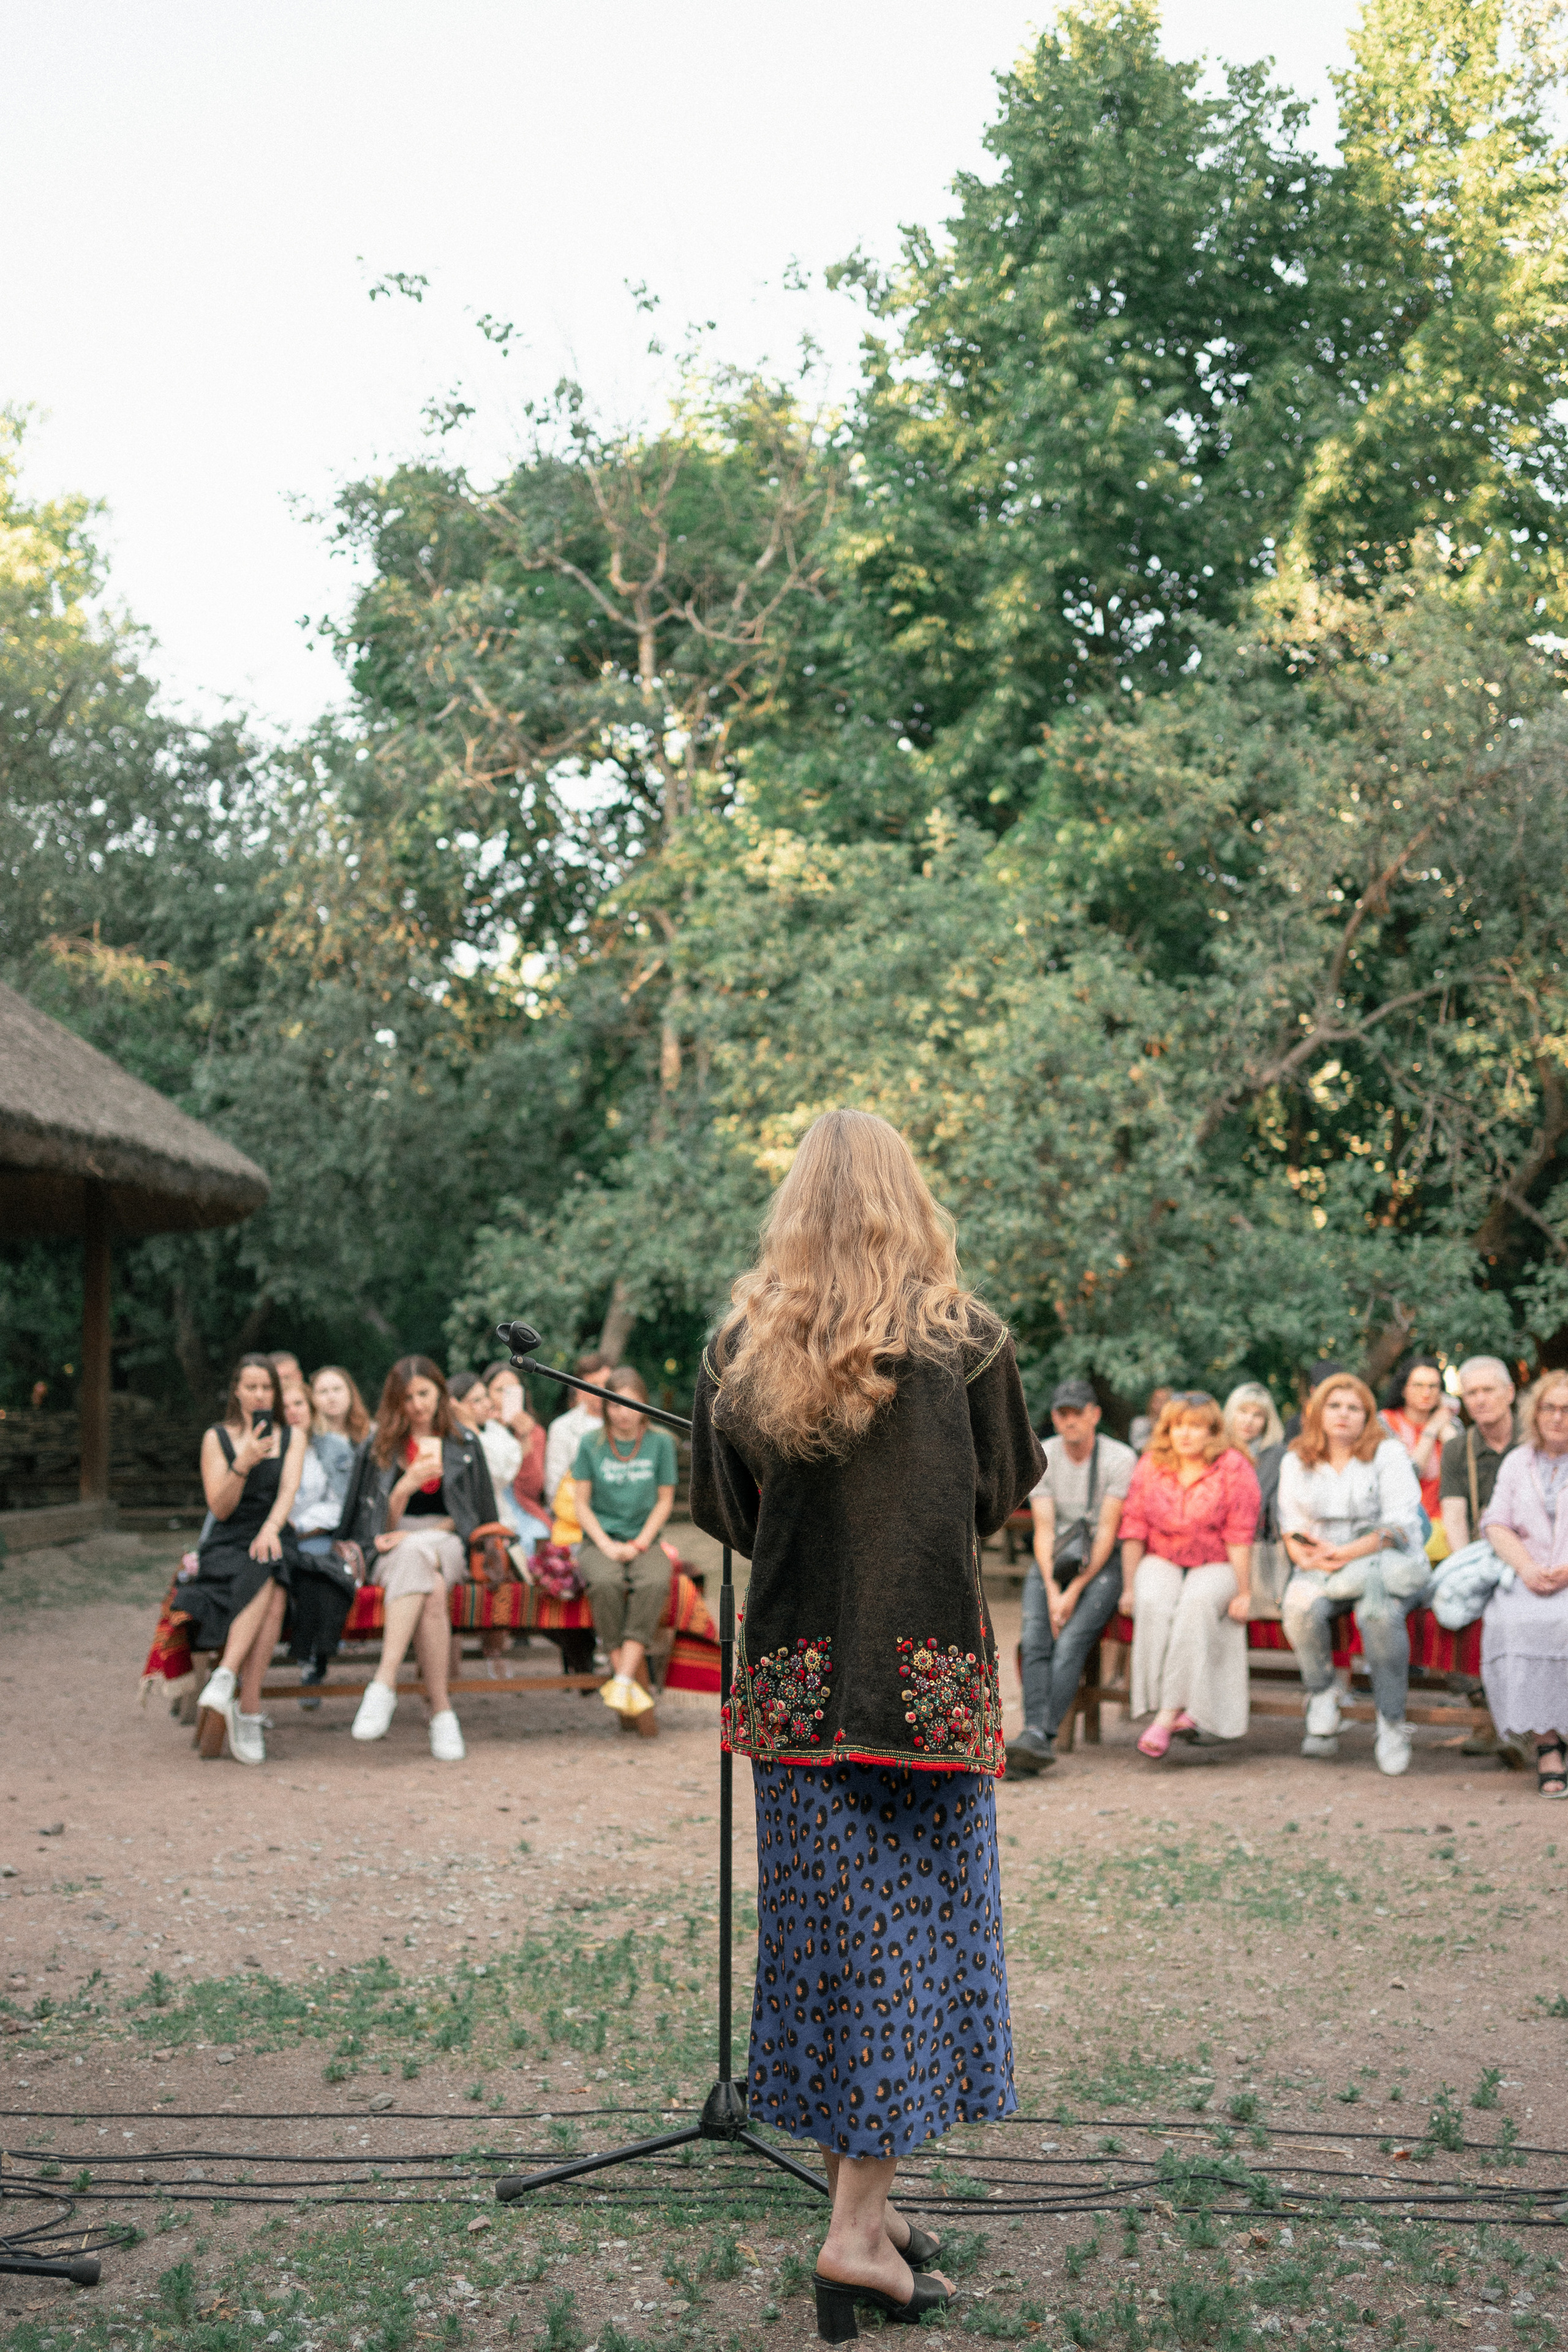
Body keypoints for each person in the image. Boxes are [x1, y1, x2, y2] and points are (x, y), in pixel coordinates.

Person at [690, 1107, 1041, 2336]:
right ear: (909, 1198)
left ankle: (867, 2212)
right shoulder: (970, 1342)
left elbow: (728, 1511)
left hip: (797, 1686)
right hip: (922, 1685)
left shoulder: (739, 1345)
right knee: (911, 1957)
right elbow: (995, 1496)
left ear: (793, 1205)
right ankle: (852, 2238)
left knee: (837, 1958)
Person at [337, 1355, 499, 1762]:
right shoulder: (378, 1448)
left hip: (447, 1540)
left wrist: (430, 1532)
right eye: (406, 1397)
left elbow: (478, 1516)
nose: (417, 1405)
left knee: (420, 1551)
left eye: (424, 1393)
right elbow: (372, 1523)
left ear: (440, 1393)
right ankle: (442, 1713)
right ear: (395, 1401)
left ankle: (384, 1683)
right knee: (429, 1580)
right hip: (395, 1543)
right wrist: (403, 1488)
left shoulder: (464, 1443)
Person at [1278, 1374, 1428, 1776]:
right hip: (1321, 1564)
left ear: (1367, 1415)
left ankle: (1392, 1723)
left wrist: (1343, 1553)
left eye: (1354, 1407)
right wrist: (1304, 1555)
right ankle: (1324, 1693)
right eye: (1335, 1406)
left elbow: (1400, 1525)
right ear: (1317, 1412)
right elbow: (1290, 1524)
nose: (1344, 1414)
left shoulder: (1388, 1455)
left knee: (1377, 1615)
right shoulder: (1296, 1459)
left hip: (1380, 1562)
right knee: (1298, 1606)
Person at [1006, 1378, 1136, 1776]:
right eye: (1063, 1413)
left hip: (1101, 1561)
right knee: (1035, 1639)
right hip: (1055, 1560)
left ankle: (1041, 1737)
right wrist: (1051, 1589)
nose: (1070, 1420)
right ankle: (1033, 1730)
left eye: (1078, 1412)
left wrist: (1074, 1591)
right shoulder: (1044, 1455)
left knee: (1073, 1642)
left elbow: (1108, 1533)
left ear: (1095, 1415)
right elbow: (1043, 1530)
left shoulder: (1119, 1459)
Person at [1120, 1393, 1261, 1758]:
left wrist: (1244, 1591)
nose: (1185, 1434)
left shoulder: (1233, 1466)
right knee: (1153, 1601)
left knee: (1195, 1606)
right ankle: (1169, 1706)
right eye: (1177, 1425)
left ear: (1213, 1431)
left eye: (1196, 1426)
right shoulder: (1151, 1464)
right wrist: (1128, 1588)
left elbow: (1240, 1535)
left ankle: (1165, 1718)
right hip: (1162, 1555)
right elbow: (1133, 1528)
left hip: (1218, 1559)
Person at [189, 1356, 308, 1766]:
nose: (259, 1395)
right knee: (272, 1585)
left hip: (273, 1532)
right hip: (228, 1540)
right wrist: (244, 1462)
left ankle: (227, 1678)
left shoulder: (292, 1436)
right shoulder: (216, 1438)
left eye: (267, 1388)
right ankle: (249, 1709)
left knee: (272, 1564)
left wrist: (273, 1528)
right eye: (251, 1387)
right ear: (236, 1390)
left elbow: (288, 1492)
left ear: (275, 1393)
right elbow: (219, 1510)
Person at [1476, 1371, 1568, 1799]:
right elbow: (1496, 1523)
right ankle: (1546, 1742)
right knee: (1516, 1622)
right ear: (1536, 1413)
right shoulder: (1518, 1461)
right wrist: (1528, 1568)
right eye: (1550, 1407)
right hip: (1528, 1572)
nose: (1558, 1417)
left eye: (1567, 1409)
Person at [573, 1368, 679, 1738]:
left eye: (630, 1402)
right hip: (600, 1540)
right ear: (606, 1406)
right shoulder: (591, 1444)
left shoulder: (661, 1443)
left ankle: (620, 1679)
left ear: (644, 1404)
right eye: (616, 1403)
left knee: (654, 1580)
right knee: (604, 1582)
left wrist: (638, 1544)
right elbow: (581, 1504)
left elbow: (665, 1501)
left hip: (645, 1539)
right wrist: (605, 1545)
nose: (623, 1412)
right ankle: (626, 1681)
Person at [1439, 1357, 1519, 1551]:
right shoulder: (1456, 1450)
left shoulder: (1536, 1440)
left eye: (1488, 1390)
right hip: (1483, 1551)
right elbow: (1454, 1519)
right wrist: (1466, 1566)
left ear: (1510, 1392)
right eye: (1472, 1393)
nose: (1480, 1400)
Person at [1223, 1381, 1289, 1615]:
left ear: (1267, 1422)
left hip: (1257, 1543)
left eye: (1258, 1415)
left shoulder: (1277, 1455)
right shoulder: (1217, 1451)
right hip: (1220, 1544)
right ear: (1231, 1413)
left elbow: (1259, 1506)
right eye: (1243, 1412)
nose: (1249, 1421)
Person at [1381, 1354, 1458, 1526]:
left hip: (1447, 1523)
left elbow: (1462, 1467)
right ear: (1403, 1389)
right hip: (1403, 1523)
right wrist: (1431, 1428)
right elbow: (1409, 1475)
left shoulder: (1449, 1423)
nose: (1426, 1393)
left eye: (1433, 1386)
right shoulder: (1385, 1423)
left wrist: (1443, 1423)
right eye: (1418, 1385)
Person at [543, 1352, 613, 1525]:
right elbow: (554, 1486)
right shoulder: (562, 1427)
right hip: (577, 1519)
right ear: (581, 1389)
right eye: (595, 1385)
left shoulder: (627, 1422)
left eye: (608, 1384)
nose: (603, 1391)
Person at [1129, 1385, 1172, 1453]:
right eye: (1156, 1399)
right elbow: (1139, 1448)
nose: (1158, 1403)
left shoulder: (1173, 1424)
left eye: (1163, 1400)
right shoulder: (1140, 1422)